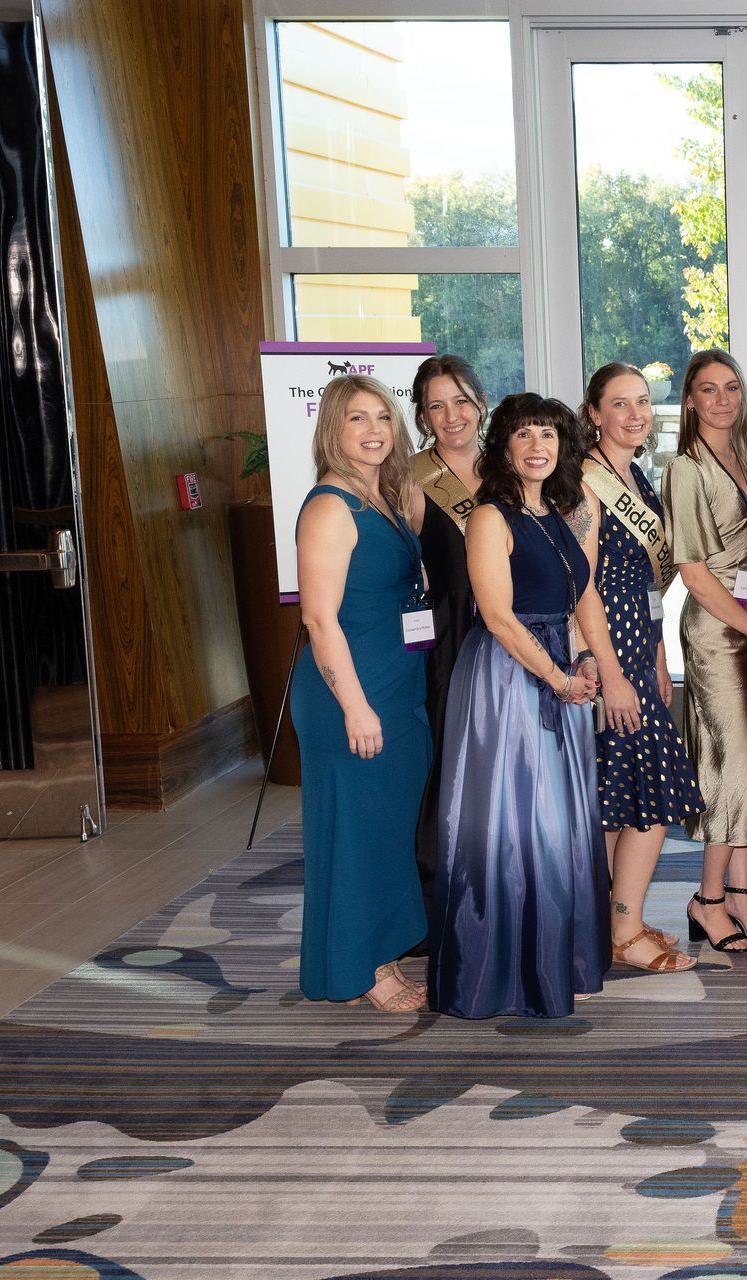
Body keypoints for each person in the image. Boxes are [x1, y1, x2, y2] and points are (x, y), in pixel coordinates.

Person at [429, 394, 615, 1019]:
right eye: (524, 435)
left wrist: (586, 662)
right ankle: (505, 972)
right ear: (503, 445)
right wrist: (560, 679)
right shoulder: (491, 516)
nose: (538, 446)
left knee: (555, 822)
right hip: (508, 679)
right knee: (514, 823)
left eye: (548, 435)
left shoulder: (554, 513)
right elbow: (499, 619)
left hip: (556, 667)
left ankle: (555, 959)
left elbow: (581, 598)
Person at [291, 376, 431, 1012]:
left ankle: (375, 951)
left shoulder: (383, 499)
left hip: (395, 687)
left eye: (383, 417)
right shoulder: (329, 507)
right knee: (356, 830)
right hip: (352, 691)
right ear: (332, 430)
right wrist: (354, 705)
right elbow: (319, 620)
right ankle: (364, 967)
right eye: (357, 420)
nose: (374, 429)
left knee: (384, 828)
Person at [579, 362, 705, 973]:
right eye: (620, 404)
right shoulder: (584, 481)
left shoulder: (636, 475)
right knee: (647, 797)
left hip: (638, 645)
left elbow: (650, 586)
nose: (634, 414)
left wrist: (657, 658)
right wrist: (611, 671)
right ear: (594, 413)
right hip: (607, 652)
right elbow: (581, 587)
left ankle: (610, 921)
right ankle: (623, 930)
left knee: (618, 797)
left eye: (642, 403)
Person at [662, 350, 747, 954]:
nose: (722, 399)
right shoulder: (685, 468)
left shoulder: (744, 458)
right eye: (708, 389)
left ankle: (745, 893)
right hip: (717, 628)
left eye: (731, 388)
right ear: (691, 399)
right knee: (733, 763)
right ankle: (708, 898)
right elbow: (693, 573)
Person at [409, 355, 487, 909]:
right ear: (422, 416)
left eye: (460, 401)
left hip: (512, 631)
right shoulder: (411, 478)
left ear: (481, 404)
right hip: (449, 633)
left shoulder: (511, 465)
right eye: (436, 406)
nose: (451, 415)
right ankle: (439, 894)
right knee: (448, 757)